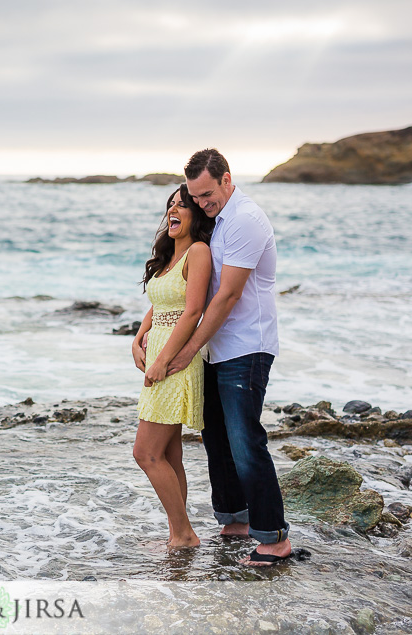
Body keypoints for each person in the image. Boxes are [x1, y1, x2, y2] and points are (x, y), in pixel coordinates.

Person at [163, 149, 292, 566]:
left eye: (207, 194)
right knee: (216, 437)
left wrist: (185, 350)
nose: (202, 203)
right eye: (196, 197)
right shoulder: (217, 222)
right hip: (218, 348)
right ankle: (234, 520)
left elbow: (227, 296)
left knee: (244, 440)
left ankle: (273, 536)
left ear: (226, 179)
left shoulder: (245, 220)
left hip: (247, 347)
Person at [131, 184, 214, 549]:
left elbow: (193, 310)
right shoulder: (167, 259)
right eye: (170, 206)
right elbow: (160, 303)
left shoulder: (198, 251)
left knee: (145, 453)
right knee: (168, 453)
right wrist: (137, 338)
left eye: (182, 205)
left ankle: (184, 534)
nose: (173, 211)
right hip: (159, 357)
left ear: (196, 214)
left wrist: (162, 361)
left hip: (176, 362)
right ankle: (179, 531)